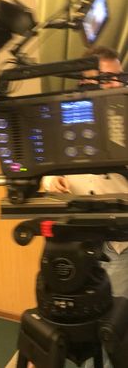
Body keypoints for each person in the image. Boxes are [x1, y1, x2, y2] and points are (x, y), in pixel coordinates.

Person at [43, 45, 127, 368]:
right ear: (86, 81)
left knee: (113, 329)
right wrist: (52, 182)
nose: (117, 84)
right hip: (76, 247)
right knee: (77, 329)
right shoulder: (65, 119)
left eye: (119, 77)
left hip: (118, 246)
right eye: (108, 78)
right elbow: (44, 170)